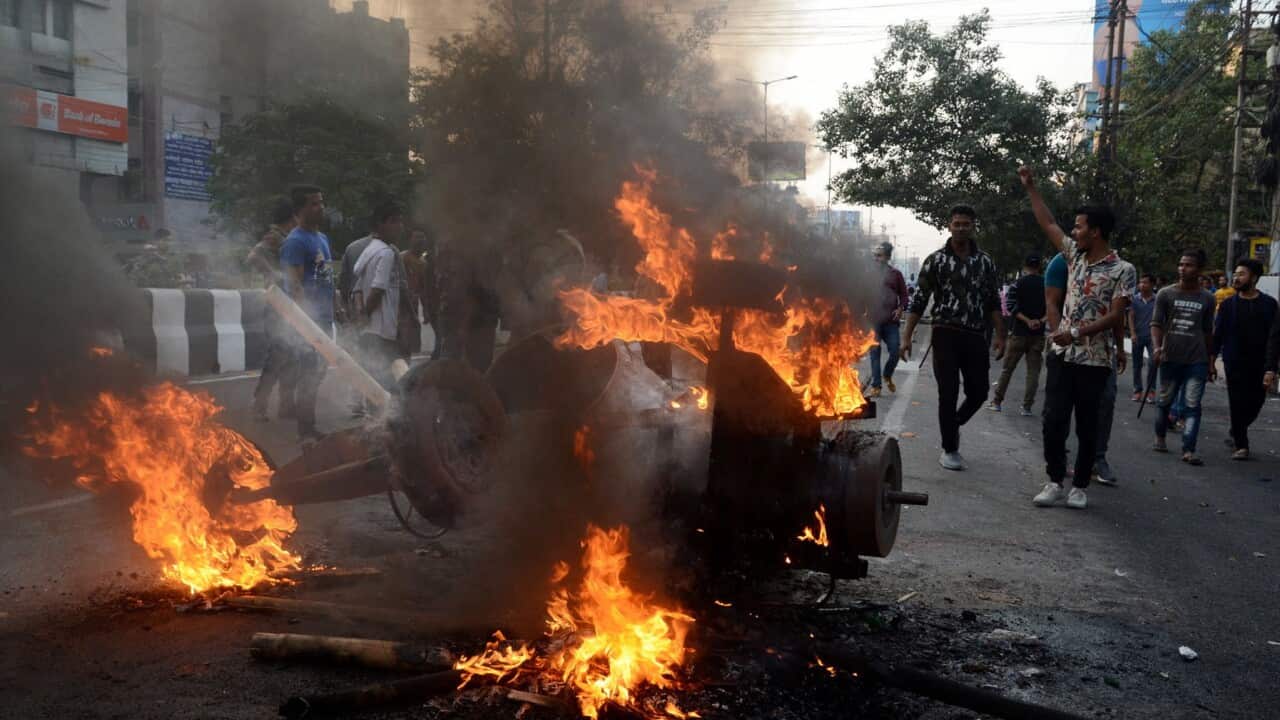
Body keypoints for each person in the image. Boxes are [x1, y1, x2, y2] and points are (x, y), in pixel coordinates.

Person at [1019, 166, 1135, 510]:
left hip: (1095, 360)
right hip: (1062, 355)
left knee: (1087, 423)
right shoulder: (1074, 255)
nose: (1074, 231)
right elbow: (1048, 223)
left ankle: (1080, 485)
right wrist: (1032, 189)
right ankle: (1055, 480)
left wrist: (1077, 333)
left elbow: (1116, 315)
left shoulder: (1122, 270)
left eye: (1080, 226)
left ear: (1096, 232)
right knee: (1053, 418)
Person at [900, 205, 1004, 471]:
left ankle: (954, 423)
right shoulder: (935, 260)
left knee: (979, 392)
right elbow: (919, 301)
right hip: (945, 333)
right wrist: (906, 337)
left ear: (973, 227)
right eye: (956, 223)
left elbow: (993, 300)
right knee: (948, 393)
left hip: (976, 335)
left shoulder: (985, 262)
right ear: (949, 226)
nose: (961, 228)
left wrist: (1001, 336)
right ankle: (950, 448)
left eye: (966, 224)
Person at [279, 185, 335, 441]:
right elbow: (295, 285)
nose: (320, 207)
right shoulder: (295, 241)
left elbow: (327, 277)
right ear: (300, 209)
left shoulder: (322, 238)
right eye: (313, 204)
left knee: (319, 371)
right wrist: (306, 322)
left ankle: (308, 426)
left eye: (321, 202)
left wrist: (339, 307)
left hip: (325, 318)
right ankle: (306, 431)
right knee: (309, 374)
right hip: (308, 321)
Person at [1151, 248, 1217, 465]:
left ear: (1199, 270)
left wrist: (1210, 361)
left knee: (1192, 405)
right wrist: (1157, 348)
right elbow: (1156, 324)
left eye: (1188, 265)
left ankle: (1189, 449)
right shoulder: (1165, 294)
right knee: (1164, 402)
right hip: (1169, 357)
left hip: (1196, 360)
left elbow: (1208, 332)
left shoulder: (1207, 298)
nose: (1182, 268)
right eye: (1181, 264)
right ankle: (1160, 436)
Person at [1213, 258, 1276, 460]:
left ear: (1254, 278)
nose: (1236, 278)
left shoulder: (1269, 304)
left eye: (1242, 274)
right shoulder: (1228, 305)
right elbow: (1218, 335)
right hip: (1234, 363)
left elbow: (1275, 338)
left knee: (1256, 402)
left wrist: (1271, 367)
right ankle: (1242, 444)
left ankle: (1238, 427)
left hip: (1259, 363)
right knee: (1237, 402)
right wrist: (1211, 360)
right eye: (1236, 274)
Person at [248, 198, 297, 422]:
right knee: (277, 357)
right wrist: (274, 274)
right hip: (278, 306)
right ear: (292, 217)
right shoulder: (276, 236)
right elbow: (253, 256)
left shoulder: (287, 238)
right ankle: (260, 404)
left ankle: (286, 406)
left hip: (289, 306)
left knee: (291, 356)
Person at [351, 201, 407, 390]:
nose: (400, 226)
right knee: (391, 381)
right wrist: (366, 313)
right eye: (394, 221)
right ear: (379, 224)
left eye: (401, 221)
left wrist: (361, 315)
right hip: (382, 330)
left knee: (375, 378)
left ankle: (378, 415)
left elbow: (357, 288)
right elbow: (378, 289)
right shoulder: (386, 253)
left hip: (370, 330)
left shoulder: (370, 249)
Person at [989, 255, 1046, 415]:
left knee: (1007, 370)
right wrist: (1039, 321)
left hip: (1019, 333)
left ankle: (997, 402)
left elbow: (1010, 306)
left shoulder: (1017, 284)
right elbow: (1052, 308)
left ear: (1025, 265)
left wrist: (1027, 321)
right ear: (1039, 266)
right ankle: (1027, 407)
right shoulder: (1046, 284)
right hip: (1038, 334)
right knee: (1033, 372)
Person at [866, 241, 909, 398]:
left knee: (895, 351)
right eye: (875, 256)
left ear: (887, 257)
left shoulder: (895, 274)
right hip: (873, 320)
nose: (876, 259)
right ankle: (876, 386)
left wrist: (900, 308)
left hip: (890, 321)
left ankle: (887, 374)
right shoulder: (868, 274)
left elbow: (904, 295)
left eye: (880, 256)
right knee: (874, 353)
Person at [1128, 274, 1157, 402]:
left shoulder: (1158, 300)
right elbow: (1131, 316)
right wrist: (1133, 333)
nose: (1141, 285)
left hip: (1153, 337)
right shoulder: (1134, 299)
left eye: (1145, 282)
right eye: (1140, 282)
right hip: (1138, 336)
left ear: (1152, 284)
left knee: (1152, 364)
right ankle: (1137, 390)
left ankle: (1151, 391)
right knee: (1137, 365)